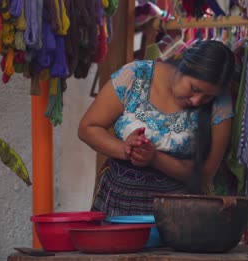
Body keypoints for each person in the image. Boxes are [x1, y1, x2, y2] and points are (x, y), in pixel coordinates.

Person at [78, 40, 235, 216]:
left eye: (207, 97)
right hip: (116, 201)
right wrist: (126, 149)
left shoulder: (220, 103)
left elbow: (207, 171)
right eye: (194, 88)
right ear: (184, 66)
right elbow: (88, 128)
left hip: (179, 214)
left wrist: (155, 158)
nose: (196, 101)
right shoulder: (135, 75)